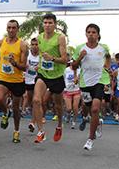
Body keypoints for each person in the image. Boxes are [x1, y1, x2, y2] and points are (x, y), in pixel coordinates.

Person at [72, 24, 111, 151]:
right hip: (85, 82)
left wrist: (107, 66)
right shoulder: (80, 48)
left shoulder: (103, 47)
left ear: (98, 35)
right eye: (88, 32)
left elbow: (109, 57)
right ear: (85, 34)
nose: (91, 34)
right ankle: (96, 122)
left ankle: (90, 139)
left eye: (93, 32)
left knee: (94, 109)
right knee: (86, 107)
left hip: (100, 81)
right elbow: (73, 66)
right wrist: (80, 57)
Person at [32, 13, 68, 143]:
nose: (47, 25)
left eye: (50, 23)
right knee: (36, 100)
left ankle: (59, 125)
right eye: (45, 23)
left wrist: (52, 58)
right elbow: (40, 54)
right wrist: (39, 64)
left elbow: (65, 60)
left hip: (57, 75)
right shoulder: (39, 37)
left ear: (55, 25)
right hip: (43, 74)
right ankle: (41, 131)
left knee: (58, 105)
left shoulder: (60, 38)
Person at [0, 20, 28, 143]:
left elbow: (24, 67)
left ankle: (16, 131)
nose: (11, 30)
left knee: (17, 108)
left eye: (13, 28)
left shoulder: (22, 45)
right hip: (3, 78)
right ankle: (6, 112)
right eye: (9, 27)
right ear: (6, 29)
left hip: (17, 80)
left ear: (17, 29)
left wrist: (15, 64)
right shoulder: (0, 42)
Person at [24, 37, 40, 132]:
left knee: (35, 100)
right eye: (32, 44)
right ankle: (34, 113)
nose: (34, 46)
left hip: (38, 80)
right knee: (30, 100)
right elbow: (23, 63)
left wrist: (40, 66)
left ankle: (33, 123)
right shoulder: (28, 54)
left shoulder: (42, 55)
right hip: (28, 79)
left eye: (36, 44)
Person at [63, 59, 81, 129]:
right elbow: (63, 79)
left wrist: (75, 73)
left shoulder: (79, 70)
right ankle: (68, 115)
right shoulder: (66, 70)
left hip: (76, 90)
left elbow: (77, 81)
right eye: (72, 63)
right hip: (67, 91)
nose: (73, 64)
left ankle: (74, 121)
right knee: (69, 109)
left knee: (75, 107)